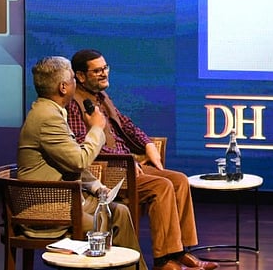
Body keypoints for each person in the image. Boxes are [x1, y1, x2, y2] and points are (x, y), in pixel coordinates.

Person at [66, 49, 217, 270]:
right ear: (80, 75)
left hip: (129, 164)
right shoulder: (74, 104)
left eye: (105, 68)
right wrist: (127, 158)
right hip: (109, 170)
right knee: (162, 186)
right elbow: (83, 145)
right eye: (97, 70)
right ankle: (165, 260)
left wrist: (147, 144)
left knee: (179, 180)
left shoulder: (101, 97)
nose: (104, 73)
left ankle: (181, 252)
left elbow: (125, 124)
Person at [17, 56, 149, 270]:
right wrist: (96, 128)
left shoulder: (53, 112)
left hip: (68, 196)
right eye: (72, 78)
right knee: (102, 221)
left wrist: (97, 187)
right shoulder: (47, 118)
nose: (75, 83)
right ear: (63, 87)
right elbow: (79, 160)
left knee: (121, 212)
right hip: (49, 204)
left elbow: (69, 159)